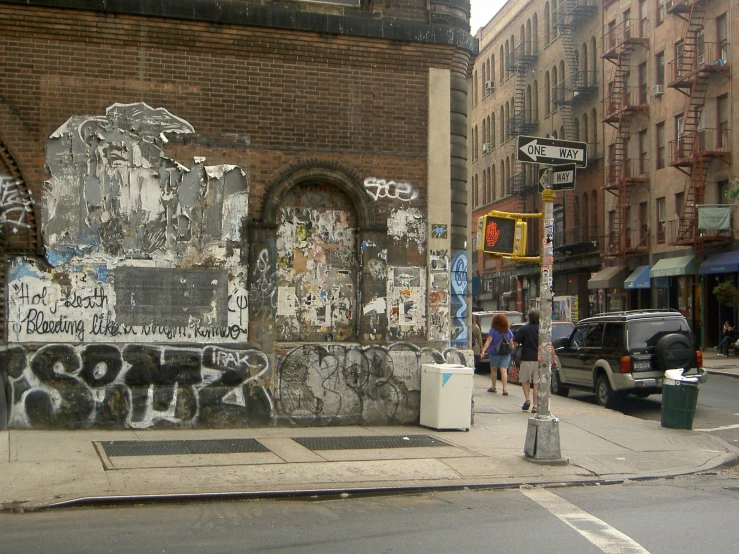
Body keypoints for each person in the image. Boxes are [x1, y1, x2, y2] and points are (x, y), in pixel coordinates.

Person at [481, 313, 514, 395]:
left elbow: (489, 340)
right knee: (504, 370)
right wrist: (513, 350)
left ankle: (493, 387)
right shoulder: (507, 330)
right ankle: (504, 389)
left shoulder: (493, 330)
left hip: (494, 352)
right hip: (506, 353)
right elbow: (511, 342)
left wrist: (483, 351)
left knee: (494, 369)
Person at [514, 309, 540, 413]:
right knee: (536, 383)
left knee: (525, 380)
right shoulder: (541, 329)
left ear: (529, 317)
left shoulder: (524, 329)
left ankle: (527, 399)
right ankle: (535, 405)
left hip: (526, 358)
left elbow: (516, 342)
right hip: (538, 359)